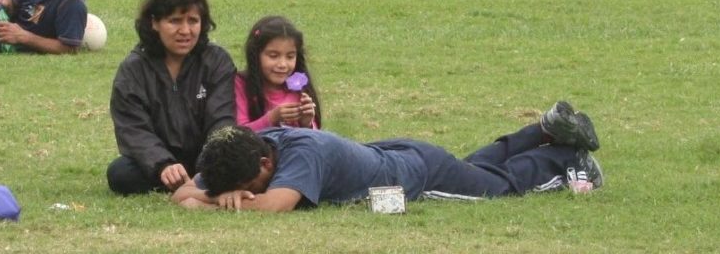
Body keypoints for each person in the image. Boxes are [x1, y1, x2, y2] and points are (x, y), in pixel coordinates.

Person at [173, 100, 603, 211]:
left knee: (501, 189)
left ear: (266, 165)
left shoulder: (303, 154)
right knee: (475, 169)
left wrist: (210, 205)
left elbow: (276, 205)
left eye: (248, 189)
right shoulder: (246, 148)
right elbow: (181, 193)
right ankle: (542, 129)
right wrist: (215, 193)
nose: (246, 196)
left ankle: (567, 159)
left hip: (420, 176)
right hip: (401, 153)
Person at [107, 0, 236, 195]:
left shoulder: (216, 61)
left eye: (193, 21)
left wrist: (210, 163)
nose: (185, 30)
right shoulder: (133, 70)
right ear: (154, 23)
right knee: (121, 173)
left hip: (207, 159)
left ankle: (199, 182)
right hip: (159, 163)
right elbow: (133, 129)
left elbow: (222, 119)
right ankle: (181, 183)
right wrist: (163, 164)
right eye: (174, 21)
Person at [235, 16, 321, 131]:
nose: (282, 64)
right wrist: (271, 118)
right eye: (273, 56)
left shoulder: (299, 87)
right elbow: (238, 135)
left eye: (290, 56)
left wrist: (306, 123)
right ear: (256, 55)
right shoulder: (241, 84)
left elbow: (315, 141)